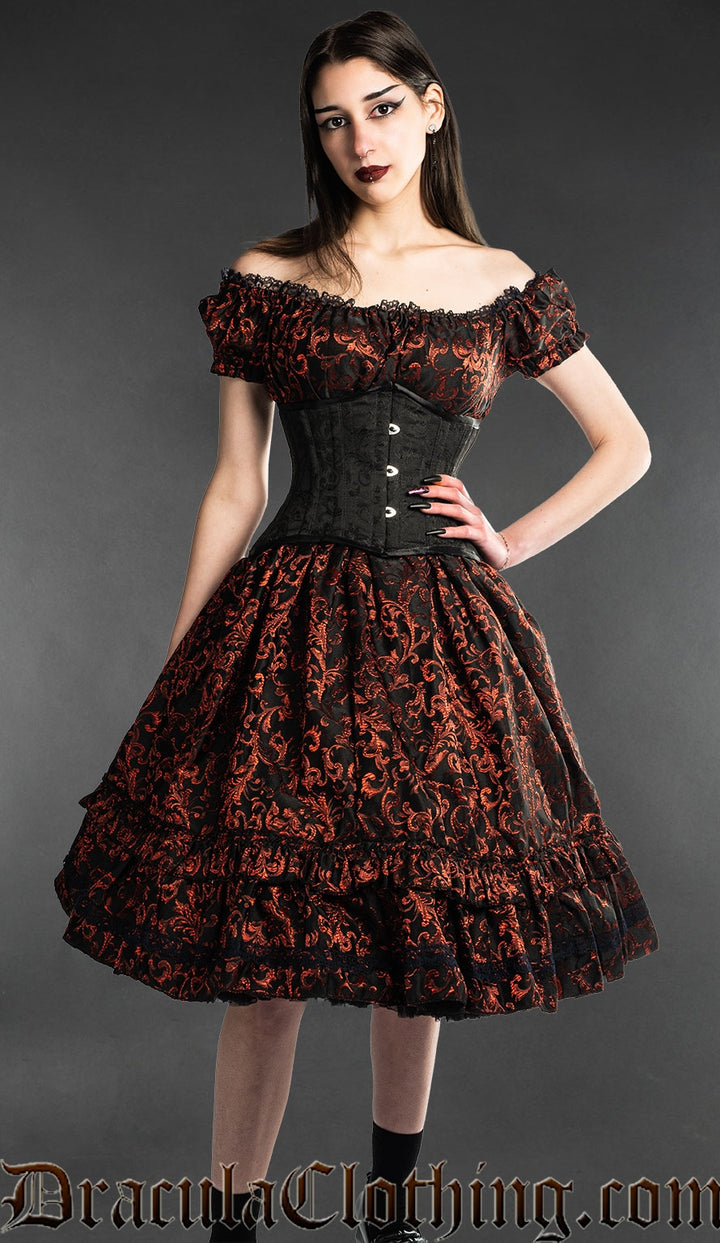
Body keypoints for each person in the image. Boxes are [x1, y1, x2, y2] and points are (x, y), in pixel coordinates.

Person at [54, 9, 660, 1242]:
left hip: (440, 642)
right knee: (264, 960)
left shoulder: (501, 284)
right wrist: (182, 659)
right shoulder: (271, 278)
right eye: (333, 121)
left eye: (381, 108)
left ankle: (392, 1217)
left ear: (430, 107)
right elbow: (236, 486)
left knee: (413, 944)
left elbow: (628, 444)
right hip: (288, 635)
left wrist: (509, 539)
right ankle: (232, 1226)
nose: (361, 140)